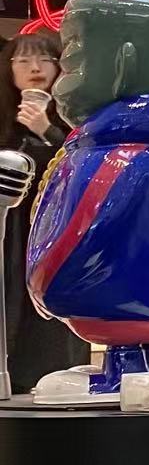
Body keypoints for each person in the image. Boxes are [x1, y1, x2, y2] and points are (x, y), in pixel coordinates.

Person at [0, 30, 89, 391]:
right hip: (8, 234)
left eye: (44, 60)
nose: (35, 68)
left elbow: (85, 168)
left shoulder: (75, 119)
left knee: (52, 317)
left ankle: (59, 382)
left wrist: (47, 130)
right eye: (23, 60)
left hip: (55, 233)